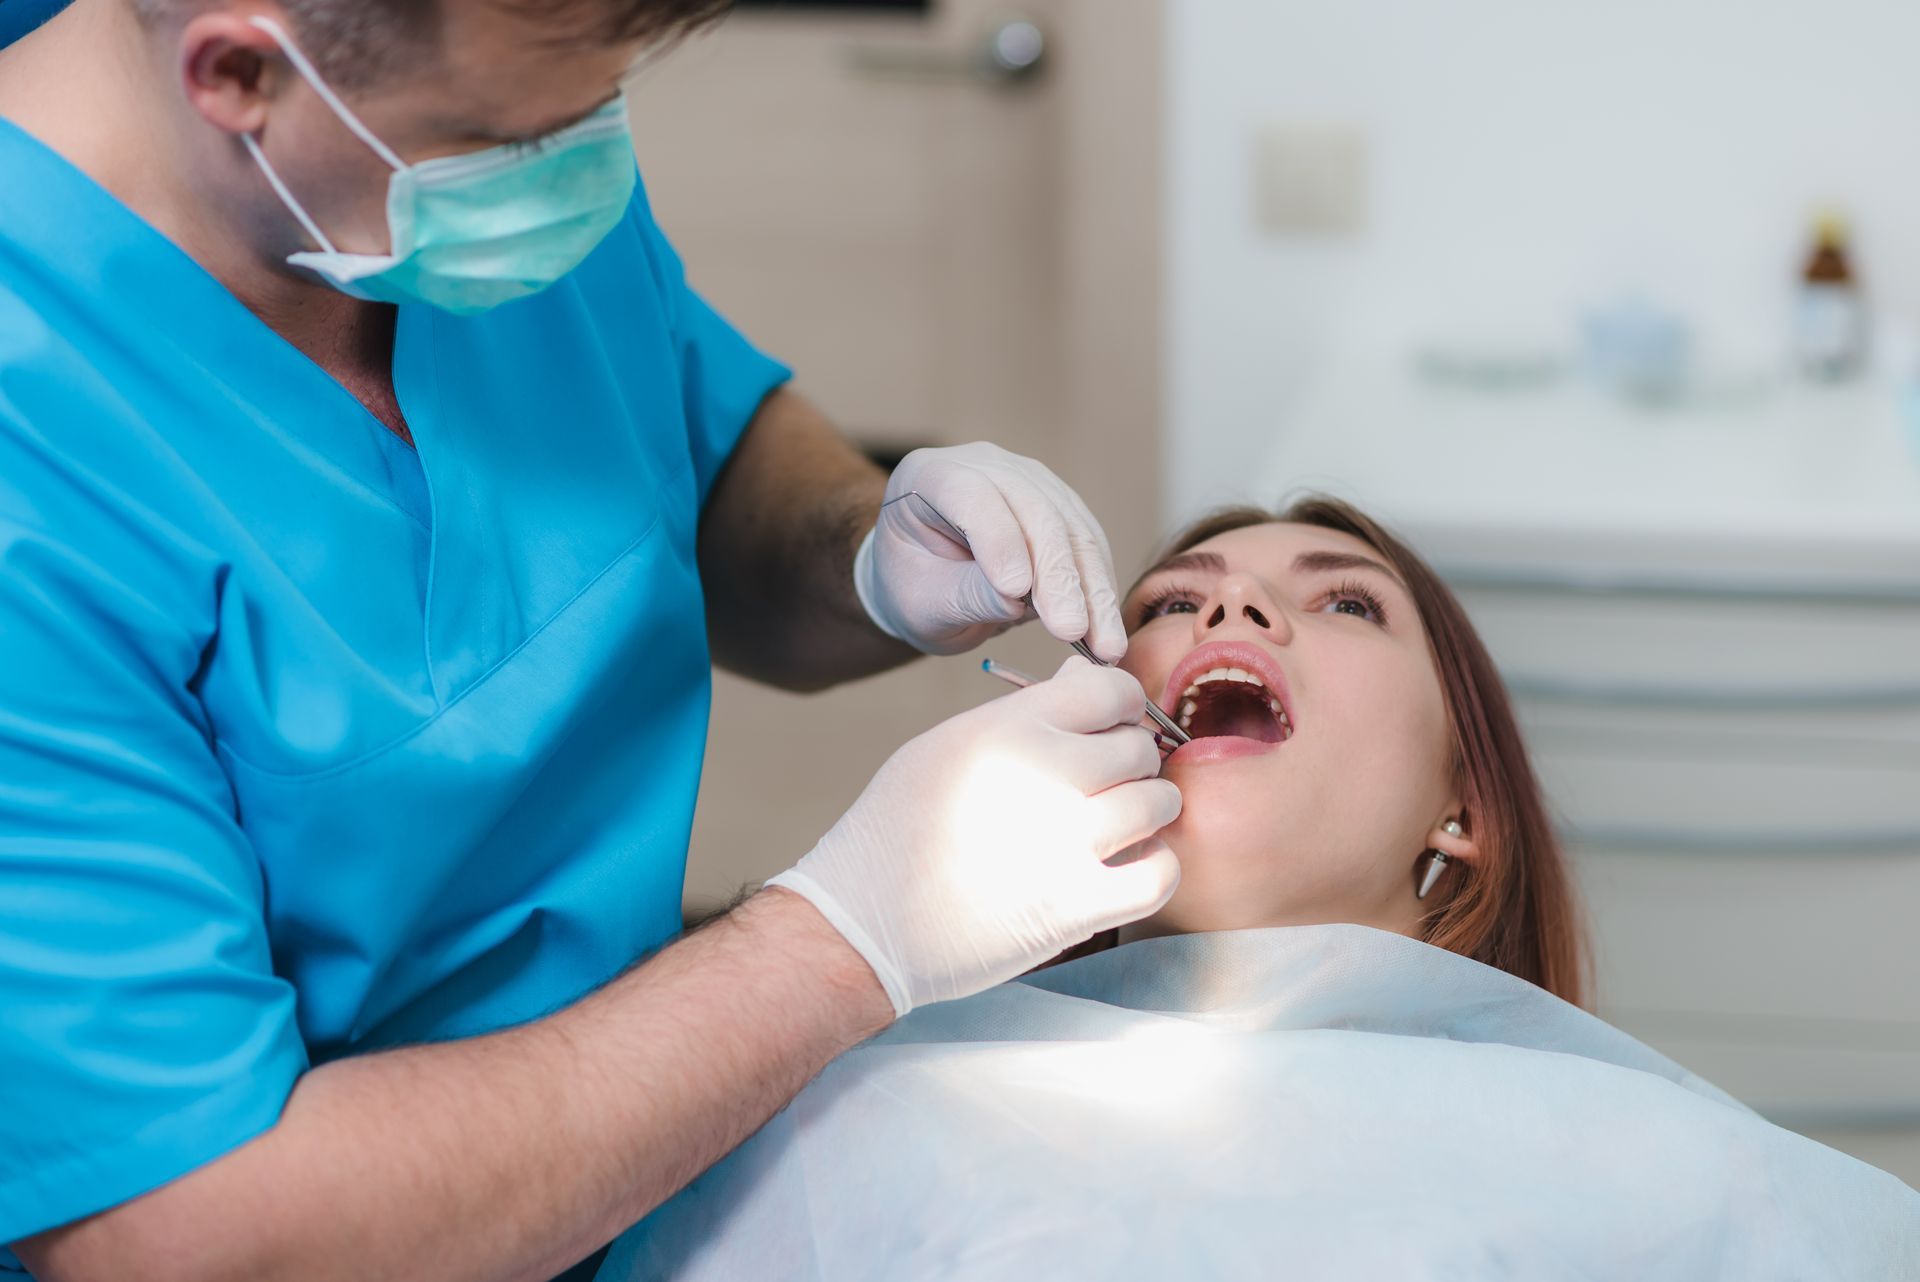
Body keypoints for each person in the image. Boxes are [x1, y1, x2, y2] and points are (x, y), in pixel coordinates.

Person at [0, 2, 1183, 1279]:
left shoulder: (456, 165)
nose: (572, 176)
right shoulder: (42, 463)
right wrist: (844, 942)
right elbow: (204, 1237)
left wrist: (864, 553)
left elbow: (673, 441)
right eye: (513, 139)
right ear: (239, 73)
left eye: (594, 108)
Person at [607, 496, 1920, 1280]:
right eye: (1176, 602)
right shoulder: (849, 1107)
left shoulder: (1668, 1166)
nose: (1232, 613)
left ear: (1465, 811)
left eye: (1346, 606)